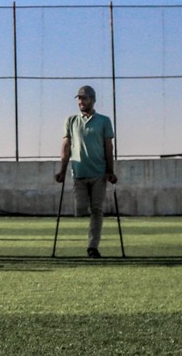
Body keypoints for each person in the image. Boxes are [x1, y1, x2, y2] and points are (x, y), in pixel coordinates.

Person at [54, 85, 116, 259]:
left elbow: (108, 147)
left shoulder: (104, 121)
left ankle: (92, 247)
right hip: (79, 173)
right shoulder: (71, 120)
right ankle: (90, 240)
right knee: (80, 208)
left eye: (85, 98)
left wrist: (111, 171)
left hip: (99, 173)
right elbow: (66, 147)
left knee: (97, 209)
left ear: (93, 100)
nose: (81, 101)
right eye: (79, 98)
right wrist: (62, 170)